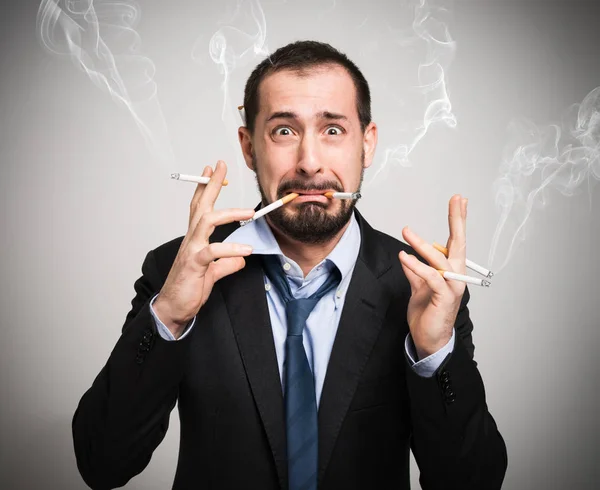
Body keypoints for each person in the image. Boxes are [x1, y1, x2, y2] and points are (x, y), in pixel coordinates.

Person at [72, 40, 507, 489]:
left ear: (368, 143)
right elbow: (103, 463)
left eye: (333, 130)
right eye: (284, 131)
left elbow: (472, 482)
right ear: (248, 147)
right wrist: (168, 317)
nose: (309, 162)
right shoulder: (178, 270)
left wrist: (434, 354)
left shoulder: (421, 287)